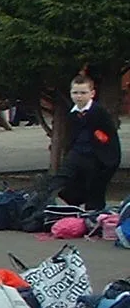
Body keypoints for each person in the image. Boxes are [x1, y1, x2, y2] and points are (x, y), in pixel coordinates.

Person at [55, 73, 122, 212]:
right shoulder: (72, 113)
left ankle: (94, 214)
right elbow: (71, 135)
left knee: (95, 189)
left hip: (96, 155)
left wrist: (106, 157)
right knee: (62, 181)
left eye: (83, 93)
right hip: (77, 152)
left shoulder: (99, 112)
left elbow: (108, 137)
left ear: (92, 93)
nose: (79, 96)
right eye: (75, 93)